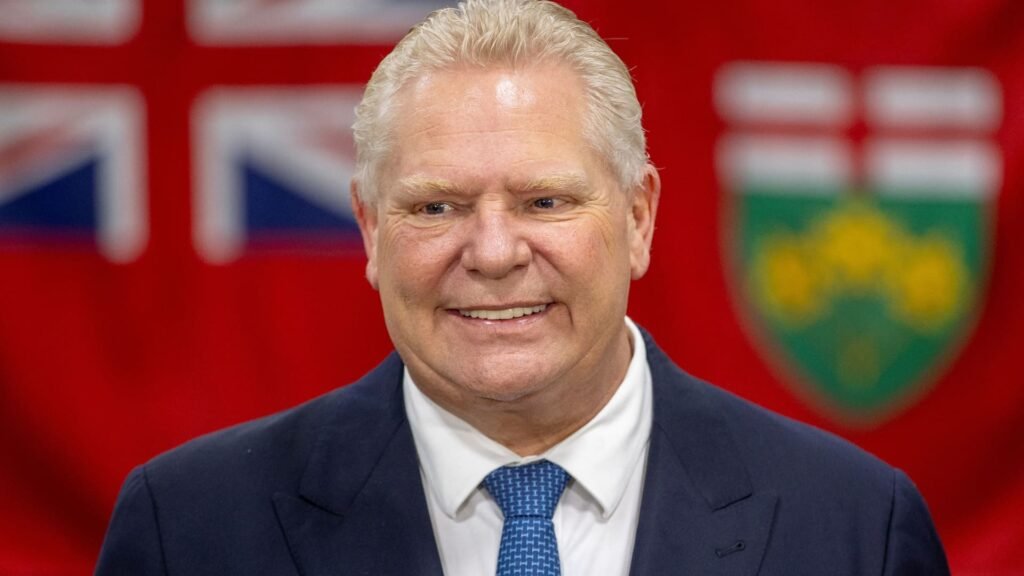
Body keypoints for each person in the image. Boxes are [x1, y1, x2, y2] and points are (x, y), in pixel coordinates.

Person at [95, 1, 950, 574]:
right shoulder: (190, 530)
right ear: (370, 229)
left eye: (545, 201)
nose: (495, 253)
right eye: (437, 206)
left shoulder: (854, 529)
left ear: (639, 217)